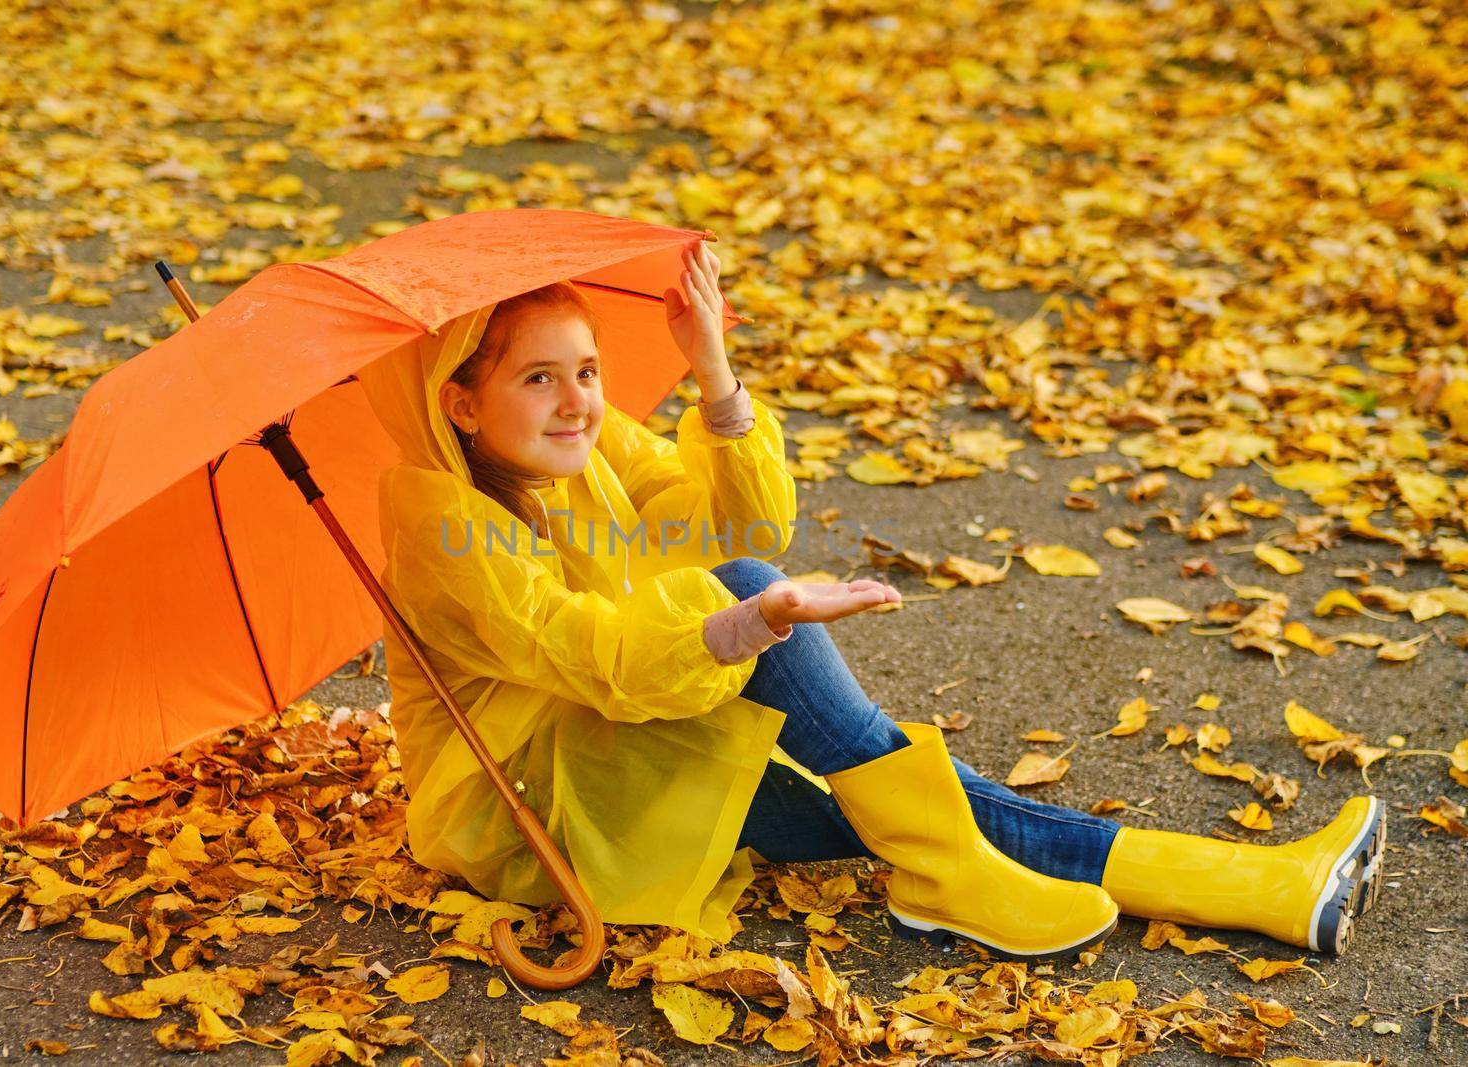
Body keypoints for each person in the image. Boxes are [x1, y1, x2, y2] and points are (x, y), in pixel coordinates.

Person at [356, 239, 1385, 959]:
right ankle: (1211, 884)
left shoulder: (584, 450)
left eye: (586, 370)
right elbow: (591, 652)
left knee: (886, 776)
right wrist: (754, 617)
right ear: (460, 399)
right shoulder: (441, 525)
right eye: (539, 378)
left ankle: (1260, 888)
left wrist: (711, 370)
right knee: (829, 696)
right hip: (533, 801)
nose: (578, 399)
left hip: (633, 735)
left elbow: (736, 526)